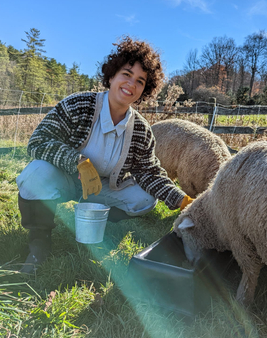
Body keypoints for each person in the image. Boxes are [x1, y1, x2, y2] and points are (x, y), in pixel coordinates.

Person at [16, 36, 193, 273]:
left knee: (144, 199)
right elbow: (38, 142)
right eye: (126, 74)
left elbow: (149, 173)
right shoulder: (79, 105)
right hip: (67, 179)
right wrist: (77, 162)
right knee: (35, 175)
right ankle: (39, 243)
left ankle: (99, 223)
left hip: (102, 190)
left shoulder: (140, 130)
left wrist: (181, 199)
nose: (131, 84)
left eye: (140, 81)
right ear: (111, 76)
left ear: (144, 90)